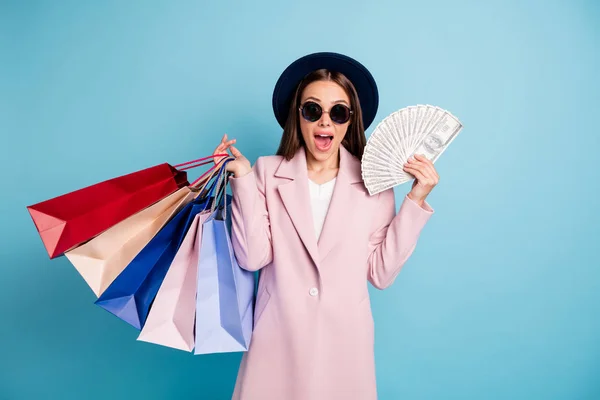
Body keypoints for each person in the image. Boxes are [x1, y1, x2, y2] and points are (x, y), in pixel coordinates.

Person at [212, 52, 439, 400]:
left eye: (338, 112)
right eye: (312, 110)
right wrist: (242, 179)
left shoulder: (373, 185)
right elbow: (252, 257)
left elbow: (381, 273)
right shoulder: (266, 172)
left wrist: (415, 200)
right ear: (298, 116)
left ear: (351, 120)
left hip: (344, 345)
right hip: (277, 340)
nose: (324, 123)